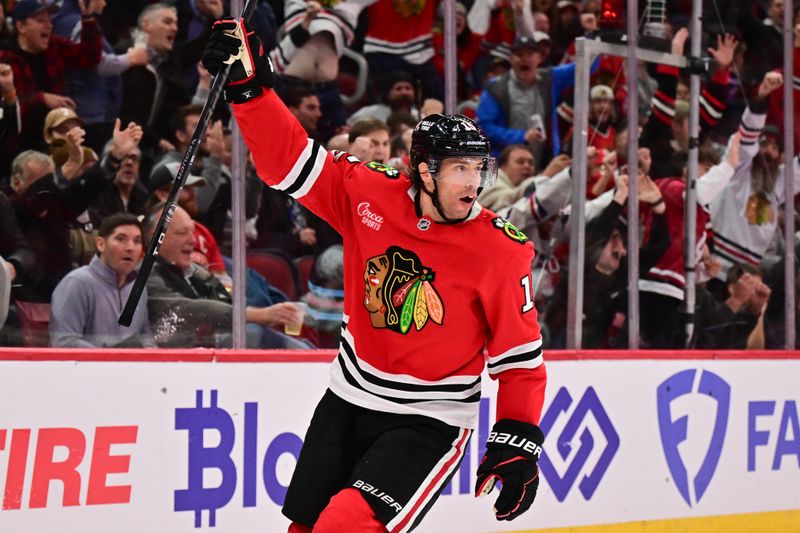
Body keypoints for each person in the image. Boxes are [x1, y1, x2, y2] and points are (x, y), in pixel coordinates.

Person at [203, 18, 547, 531]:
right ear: (424, 170)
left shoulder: (498, 248)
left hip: (429, 417)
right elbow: (287, 162)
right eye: (459, 169)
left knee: (345, 524)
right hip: (349, 393)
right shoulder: (369, 191)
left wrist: (517, 440)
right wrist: (250, 90)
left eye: (479, 169)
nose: (473, 182)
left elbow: (519, 357)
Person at [143, 203, 310, 349]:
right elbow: (186, 310)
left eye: (192, 232)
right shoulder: (145, 274)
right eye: (182, 233)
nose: (192, 241)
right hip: (179, 366)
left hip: (211, 357)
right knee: (252, 333)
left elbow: (224, 301)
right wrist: (258, 315)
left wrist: (271, 314)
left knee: (300, 344)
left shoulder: (194, 271)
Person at [49, 213, 155, 348]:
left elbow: (145, 337)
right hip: (86, 368)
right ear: (101, 244)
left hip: (128, 367)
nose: (130, 247)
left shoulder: (138, 288)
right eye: (121, 239)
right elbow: (64, 343)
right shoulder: (76, 283)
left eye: (137, 241)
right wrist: (113, 359)